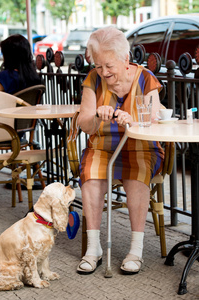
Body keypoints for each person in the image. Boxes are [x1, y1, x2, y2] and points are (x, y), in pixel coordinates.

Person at [76, 26, 165, 275]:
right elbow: (84, 124)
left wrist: (132, 122)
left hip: (140, 145)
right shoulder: (93, 80)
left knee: (136, 175)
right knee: (91, 176)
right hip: (102, 145)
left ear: (126, 60)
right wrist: (96, 116)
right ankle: (93, 249)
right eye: (98, 65)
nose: (103, 72)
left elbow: (154, 122)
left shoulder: (146, 78)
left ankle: (135, 250)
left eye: (109, 66)